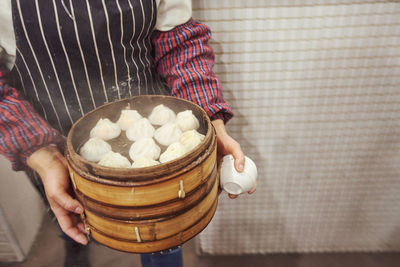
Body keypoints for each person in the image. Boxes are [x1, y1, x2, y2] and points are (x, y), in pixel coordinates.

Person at [0, 0, 256, 266]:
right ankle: (76, 247)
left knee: (161, 230)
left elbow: (178, 40)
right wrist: (39, 153)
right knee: (69, 210)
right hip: (54, 146)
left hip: (150, 118)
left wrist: (209, 122)